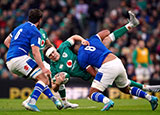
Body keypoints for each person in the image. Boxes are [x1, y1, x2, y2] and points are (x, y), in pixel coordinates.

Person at [77, 11, 158, 111]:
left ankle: (107, 101)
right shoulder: (92, 40)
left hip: (107, 66)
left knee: (92, 94)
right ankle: (151, 98)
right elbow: (106, 32)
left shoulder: (80, 57)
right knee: (125, 88)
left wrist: (106, 79)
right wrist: (99, 41)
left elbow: (93, 73)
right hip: (117, 61)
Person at [4, 9, 65, 112]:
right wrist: (43, 68)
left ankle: (55, 100)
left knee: (39, 80)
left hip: (9, 61)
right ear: (40, 20)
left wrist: (15, 51)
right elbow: (36, 53)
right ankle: (30, 102)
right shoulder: (35, 31)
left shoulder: (19, 27)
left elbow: (6, 41)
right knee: (44, 77)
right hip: (20, 59)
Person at [22, 28, 78, 109]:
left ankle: (30, 100)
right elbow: (27, 50)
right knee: (52, 78)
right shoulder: (30, 33)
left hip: (42, 62)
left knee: (53, 78)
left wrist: (55, 52)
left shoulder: (43, 32)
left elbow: (49, 43)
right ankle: (30, 100)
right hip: (34, 63)